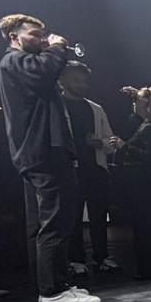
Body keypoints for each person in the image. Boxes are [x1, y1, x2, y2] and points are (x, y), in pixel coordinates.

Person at [0, 14, 100, 302]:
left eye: (45, 35)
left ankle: (54, 285)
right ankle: (53, 292)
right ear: (14, 37)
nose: (43, 39)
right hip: (42, 152)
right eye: (35, 34)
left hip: (39, 152)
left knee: (46, 223)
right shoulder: (16, 62)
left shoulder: (21, 64)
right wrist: (57, 47)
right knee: (56, 220)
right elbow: (46, 71)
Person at [59, 61, 119, 274]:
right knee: (72, 217)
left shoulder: (95, 108)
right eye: (76, 80)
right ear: (63, 80)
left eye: (84, 80)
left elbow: (110, 140)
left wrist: (100, 143)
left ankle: (102, 256)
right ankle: (76, 259)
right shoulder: (57, 106)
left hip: (96, 169)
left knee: (99, 215)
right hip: (69, 170)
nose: (82, 85)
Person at [109, 88, 151, 279]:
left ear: (147, 105)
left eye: (137, 100)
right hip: (149, 182)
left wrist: (124, 146)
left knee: (147, 226)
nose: (133, 103)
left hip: (147, 183)